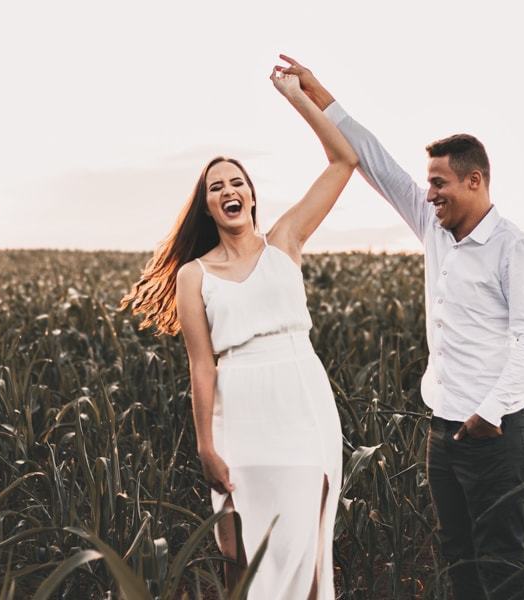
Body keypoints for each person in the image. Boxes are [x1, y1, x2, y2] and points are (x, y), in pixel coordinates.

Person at [278, 55, 524, 600]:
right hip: (444, 430)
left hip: (495, 432)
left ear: (475, 180)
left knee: (501, 563)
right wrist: (316, 93)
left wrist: (489, 413)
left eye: (440, 184)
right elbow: (375, 162)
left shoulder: (513, 248)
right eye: (427, 185)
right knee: (458, 557)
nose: (428, 195)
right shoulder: (435, 227)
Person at [121, 66, 358, 599]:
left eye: (237, 182)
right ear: (208, 206)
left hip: (302, 402)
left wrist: (298, 98)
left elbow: (344, 161)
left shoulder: (286, 242)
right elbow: (201, 365)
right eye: (216, 187)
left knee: (303, 543)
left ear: (251, 195)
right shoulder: (193, 275)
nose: (228, 190)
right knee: (243, 557)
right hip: (241, 416)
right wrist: (206, 444)